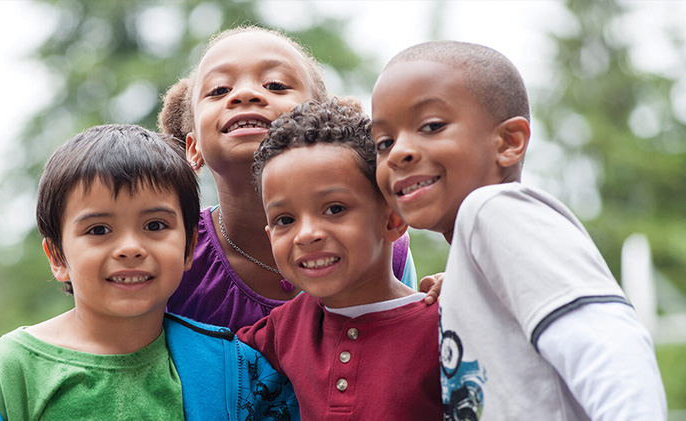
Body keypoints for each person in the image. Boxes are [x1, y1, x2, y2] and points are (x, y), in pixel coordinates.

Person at [371, 40, 667, 420]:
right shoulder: (476, 248)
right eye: (384, 142)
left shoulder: (493, 209)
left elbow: (610, 349)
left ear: (509, 142)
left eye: (431, 126)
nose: (398, 152)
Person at [0, 124, 298, 420]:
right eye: (99, 230)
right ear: (57, 257)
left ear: (189, 246)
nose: (130, 247)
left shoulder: (233, 368)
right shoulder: (18, 366)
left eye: (155, 225)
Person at [157, 25, 423, 332]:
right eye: (219, 90)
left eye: (276, 84)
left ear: (321, 119)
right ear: (193, 148)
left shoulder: (381, 242)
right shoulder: (175, 253)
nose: (245, 94)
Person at [236, 99, 443, 420]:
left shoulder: (444, 324)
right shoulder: (285, 328)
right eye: (285, 220)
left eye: (334, 209)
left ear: (392, 220)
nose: (306, 235)